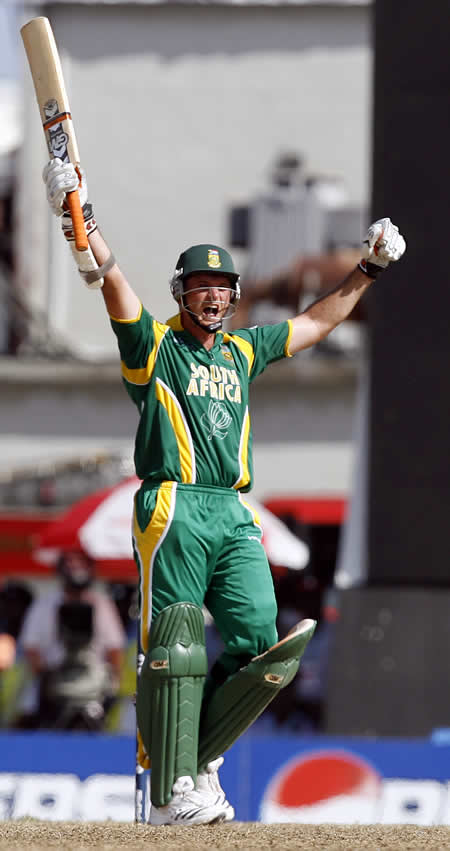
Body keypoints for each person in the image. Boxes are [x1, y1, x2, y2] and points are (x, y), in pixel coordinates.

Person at [42, 157, 405, 824]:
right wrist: (81, 222)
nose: (212, 296)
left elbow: (315, 325)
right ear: (182, 293)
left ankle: (197, 762)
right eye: (200, 286)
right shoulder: (156, 349)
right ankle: (164, 792)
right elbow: (113, 283)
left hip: (232, 508)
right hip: (173, 501)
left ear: (233, 295)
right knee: (175, 643)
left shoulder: (242, 351)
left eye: (221, 286)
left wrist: (368, 270)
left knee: (263, 641)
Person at [18, 550, 126, 729]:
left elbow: (114, 647)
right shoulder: (44, 604)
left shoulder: (102, 604)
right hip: (53, 684)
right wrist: (46, 679)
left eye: (81, 564)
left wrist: (113, 683)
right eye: (70, 564)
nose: (75, 570)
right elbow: (31, 648)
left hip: (95, 684)